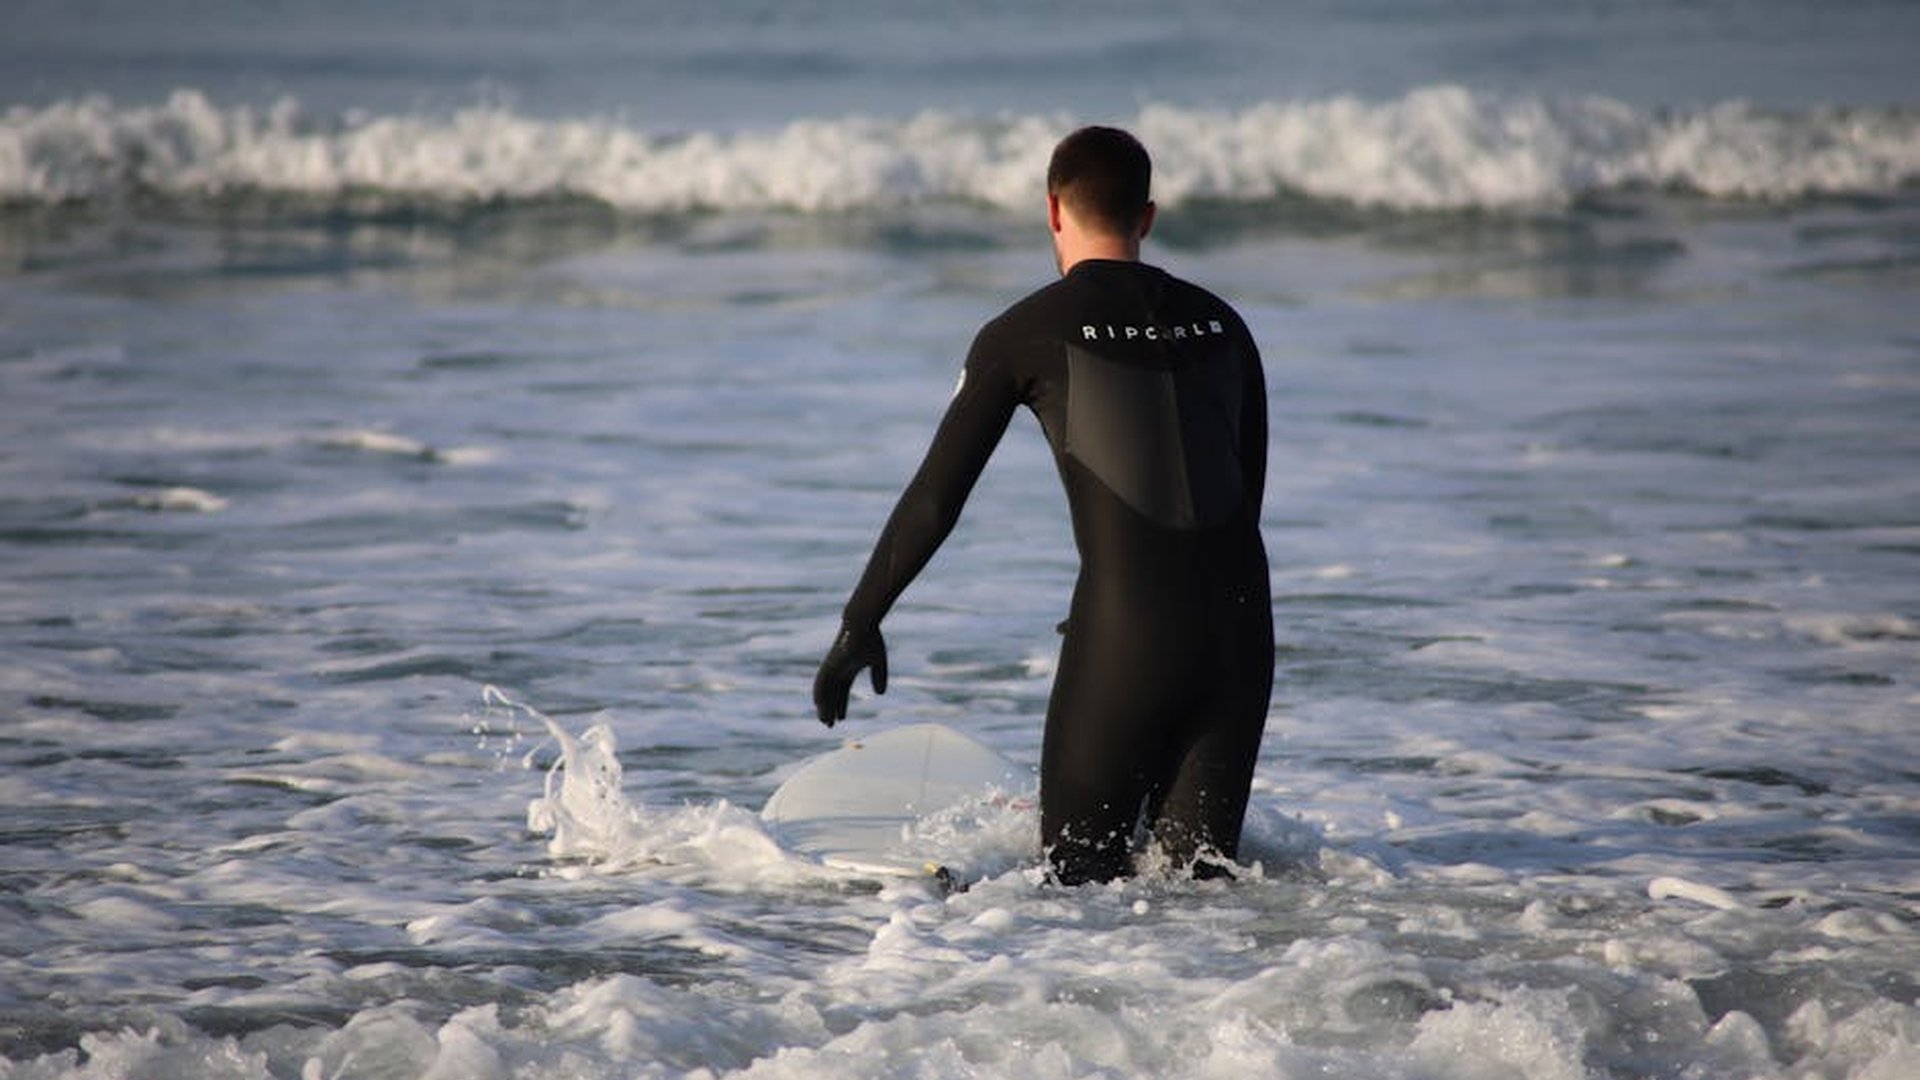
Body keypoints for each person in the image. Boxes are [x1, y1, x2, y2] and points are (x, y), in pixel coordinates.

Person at [813, 126, 1274, 885]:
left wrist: (861, 621)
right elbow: (1240, 503)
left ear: (1054, 211)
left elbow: (936, 498)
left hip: (1127, 634)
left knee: (1078, 887)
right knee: (1204, 892)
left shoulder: (1023, 331)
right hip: (1241, 634)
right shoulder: (1227, 324)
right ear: (1148, 217)